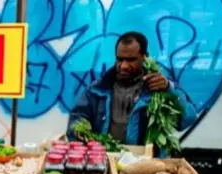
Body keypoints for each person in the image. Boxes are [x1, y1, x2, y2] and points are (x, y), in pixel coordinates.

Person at [67, 32, 197, 146]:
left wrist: (169, 89)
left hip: (146, 166)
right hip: (105, 161)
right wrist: (80, 129)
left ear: (145, 57)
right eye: (120, 59)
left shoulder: (159, 88)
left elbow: (188, 119)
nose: (123, 66)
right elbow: (77, 117)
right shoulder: (98, 89)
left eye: (131, 60)